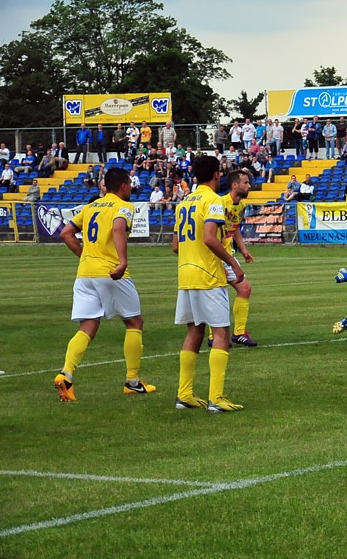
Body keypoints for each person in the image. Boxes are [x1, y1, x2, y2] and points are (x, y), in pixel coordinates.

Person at [53, 168, 154, 402]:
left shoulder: (91, 207)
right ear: (122, 187)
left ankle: (66, 374)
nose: (130, 188)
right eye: (129, 185)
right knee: (134, 321)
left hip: (85, 273)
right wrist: (122, 262)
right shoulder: (123, 206)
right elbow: (118, 228)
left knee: (88, 324)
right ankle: (132, 381)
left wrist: (85, 256)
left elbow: (66, 233)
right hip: (110, 272)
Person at [172, 155, 245, 413]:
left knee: (194, 331)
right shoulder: (213, 200)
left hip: (185, 274)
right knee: (222, 333)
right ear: (216, 174)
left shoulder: (184, 202)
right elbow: (210, 239)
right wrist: (233, 264)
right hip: (208, 275)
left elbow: (175, 246)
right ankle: (216, 398)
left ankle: (185, 394)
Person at [207, 170, 257, 349]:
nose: (249, 186)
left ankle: (238, 333)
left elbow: (234, 226)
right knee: (219, 294)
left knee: (244, 288)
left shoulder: (240, 206)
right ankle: (216, 335)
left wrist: (243, 250)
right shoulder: (220, 203)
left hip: (227, 254)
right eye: (245, 182)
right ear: (235, 185)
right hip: (215, 256)